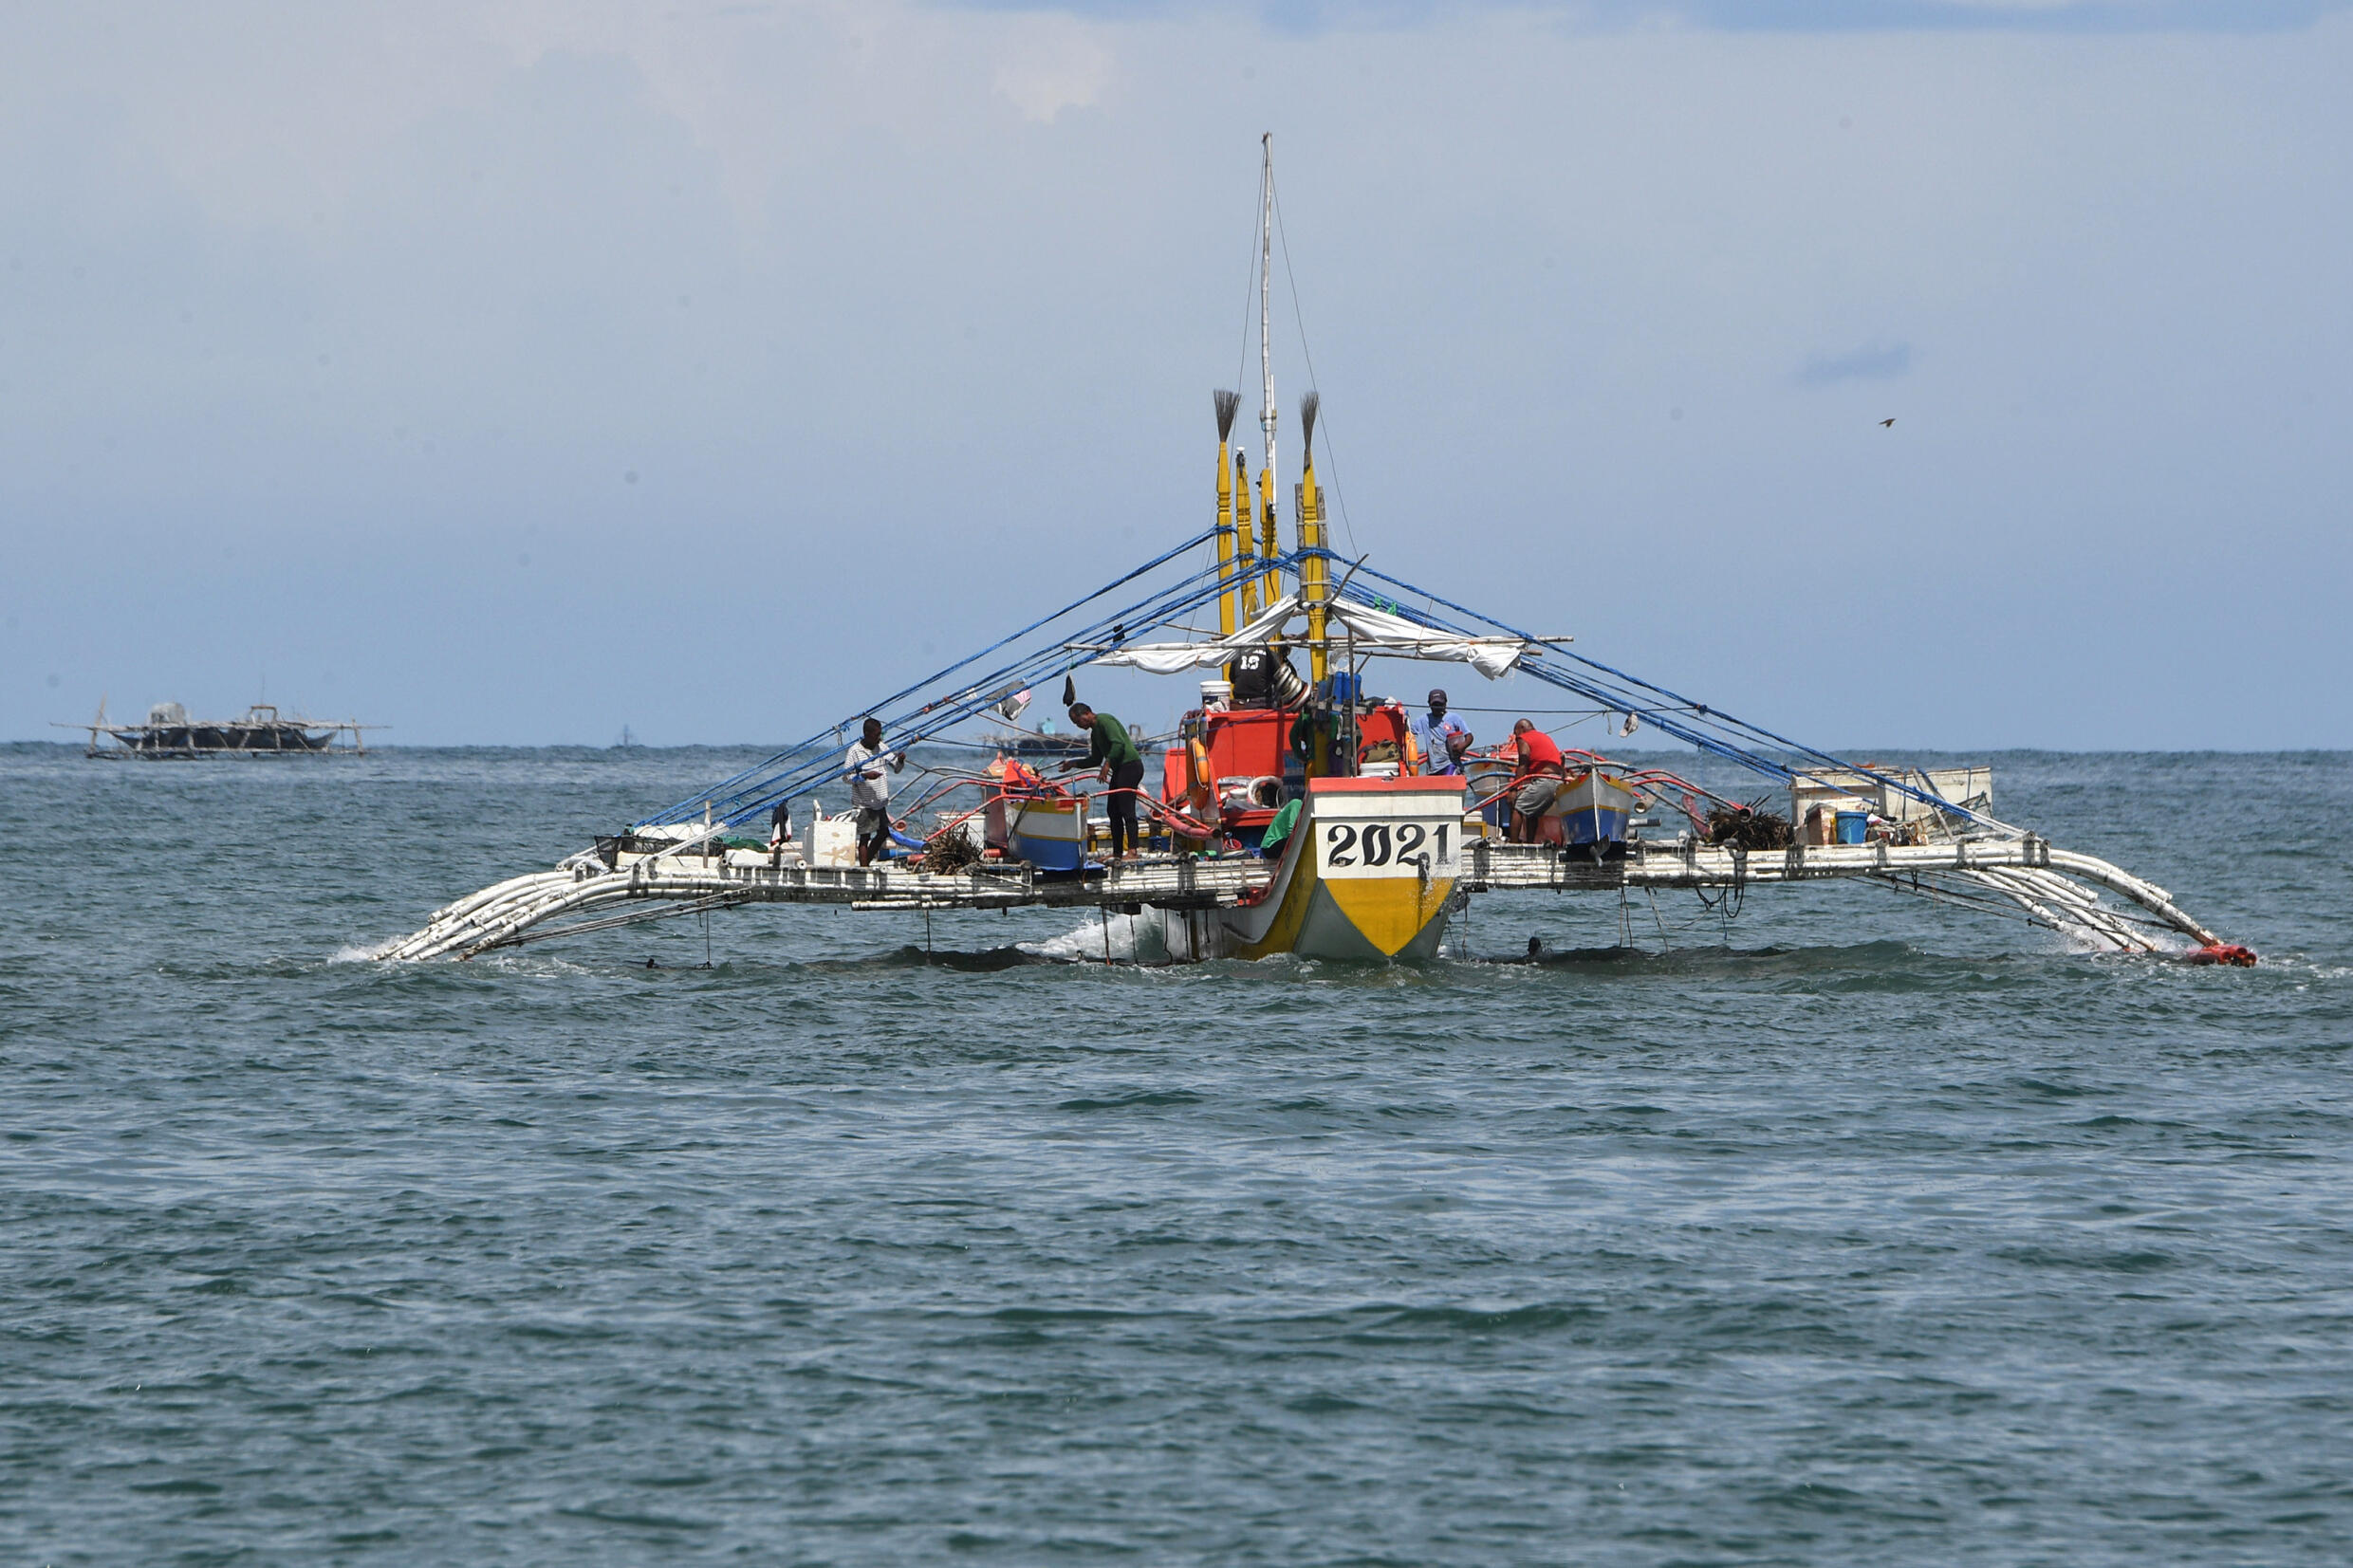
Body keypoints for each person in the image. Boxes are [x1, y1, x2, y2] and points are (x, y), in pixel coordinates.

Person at [1062, 702, 1145, 859]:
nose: (1078, 726)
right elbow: (1095, 759)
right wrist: (1073, 763)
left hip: (1131, 766)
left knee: (1127, 809)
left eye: (1078, 721)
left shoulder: (1105, 721)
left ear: (1087, 713)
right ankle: (1117, 853)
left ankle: (1133, 851)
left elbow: (1118, 744)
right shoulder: (1095, 734)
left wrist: (1107, 765)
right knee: (1113, 811)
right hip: (1120, 770)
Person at [843, 717, 907, 866]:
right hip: (864, 803)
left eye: (880, 734)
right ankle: (864, 870)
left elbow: (896, 768)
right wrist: (865, 776)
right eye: (876, 734)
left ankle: (866, 863)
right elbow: (846, 777)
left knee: (884, 832)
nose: (879, 738)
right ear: (867, 733)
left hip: (879, 803)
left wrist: (901, 760)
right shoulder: (855, 751)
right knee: (865, 838)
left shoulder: (882, 747)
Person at [1509, 718, 1567, 841]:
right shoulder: (1543, 736)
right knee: (1532, 812)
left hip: (1546, 781)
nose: (1515, 737)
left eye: (1515, 733)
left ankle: (1512, 845)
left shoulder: (1524, 738)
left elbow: (1523, 764)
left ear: (1521, 729)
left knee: (1517, 807)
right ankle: (1529, 843)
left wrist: (1513, 789)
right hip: (1557, 782)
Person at [1411, 688, 1472, 777]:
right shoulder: (1424, 720)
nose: (1437, 708)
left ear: (1445, 703)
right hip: (1433, 768)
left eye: (1440, 704)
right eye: (1435, 705)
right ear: (1429, 704)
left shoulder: (1454, 718)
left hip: (1450, 763)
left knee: (1449, 781)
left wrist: (1462, 746)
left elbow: (1469, 736)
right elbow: (1408, 730)